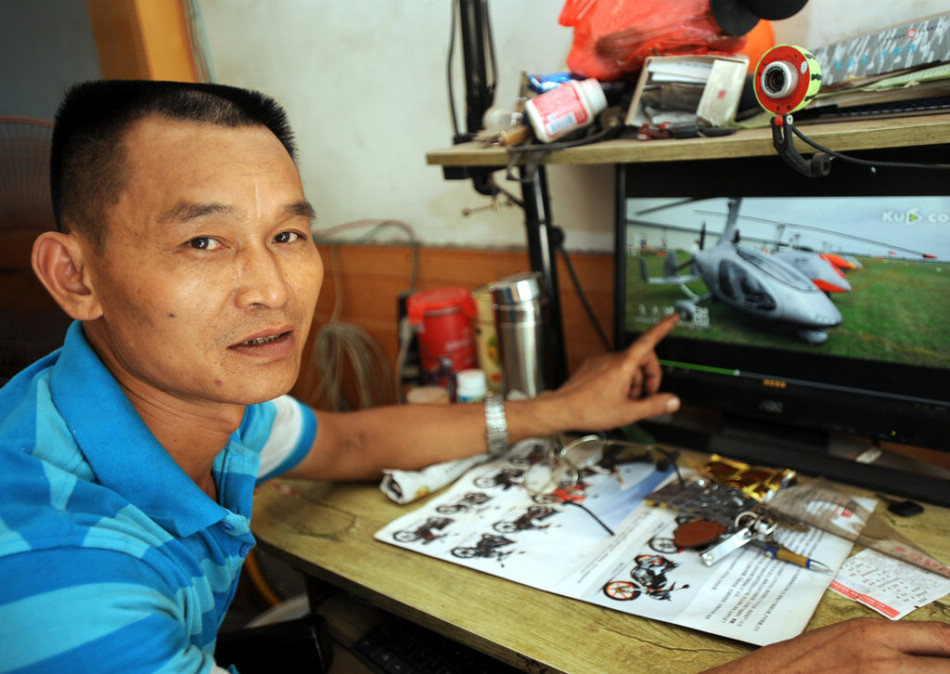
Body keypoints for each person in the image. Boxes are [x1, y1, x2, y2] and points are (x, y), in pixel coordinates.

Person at [0, 81, 946, 673]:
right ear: (74, 276)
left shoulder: (201, 400)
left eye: (288, 234)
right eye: (203, 241)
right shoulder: (60, 579)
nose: (269, 287)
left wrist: (562, 408)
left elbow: (354, 440)